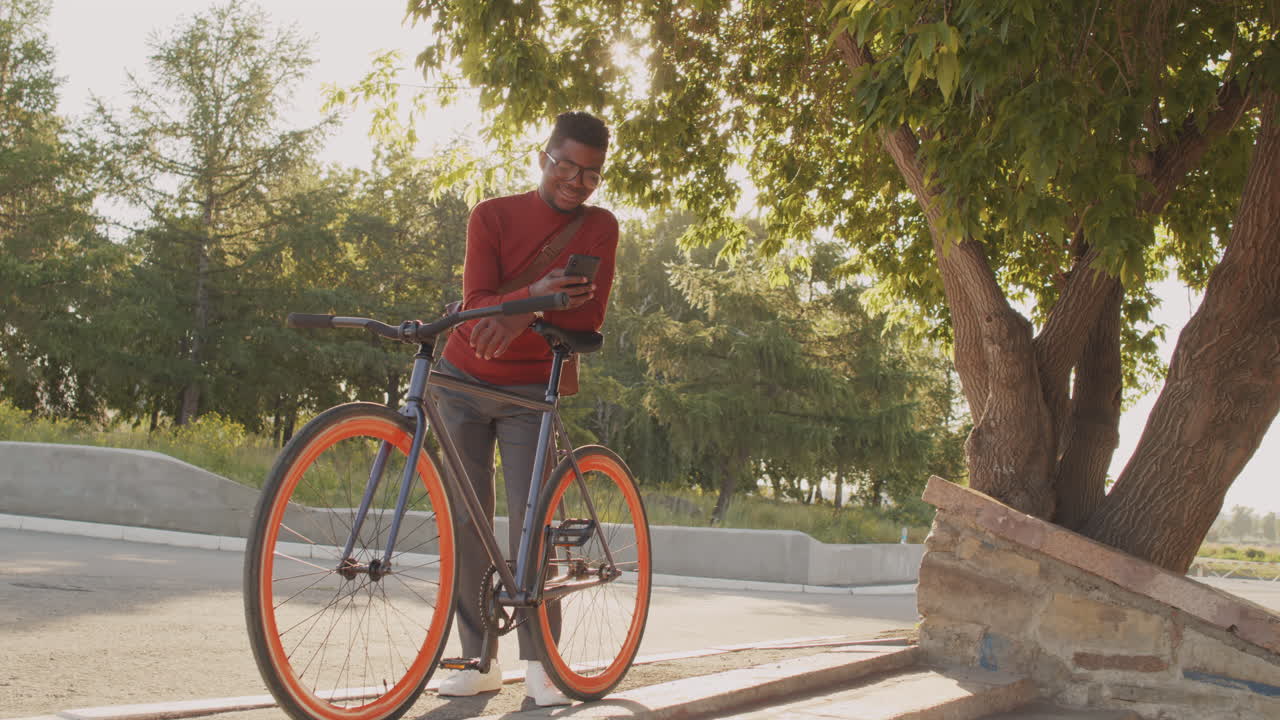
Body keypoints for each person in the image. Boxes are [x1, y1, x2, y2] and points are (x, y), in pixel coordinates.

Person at [431, 111, 618, 707]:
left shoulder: (599, 228)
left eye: (590, 173)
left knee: (533, 524)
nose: (576, 180)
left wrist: (517, 315)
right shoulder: (491, 215)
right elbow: (476, 303)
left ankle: (541, 667)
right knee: (467, 520)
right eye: (566, 165)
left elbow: (587, 318)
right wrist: (538, 298)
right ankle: (476, 659)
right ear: (544, 157)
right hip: (459, 379)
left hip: (533, 390)